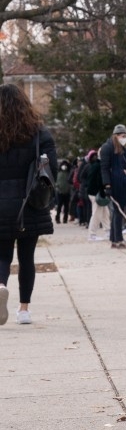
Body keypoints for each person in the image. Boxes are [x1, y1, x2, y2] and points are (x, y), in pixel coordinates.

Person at [0, 84, 58, 326]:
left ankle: (1, 285)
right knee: (27, 257)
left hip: (1, 204)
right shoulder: (39, 134)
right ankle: (24, 310)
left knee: (2, 255)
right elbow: (51, 170)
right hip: (29, 204)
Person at [99, 124, 126, 249]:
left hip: (122, 182)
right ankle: (118, 239)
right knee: (118, 211)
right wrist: (107, 184)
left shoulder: (122, 149)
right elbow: (104, 168)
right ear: (116, 136)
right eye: (122, 136)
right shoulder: (107, 148)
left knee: (117, 211)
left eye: (125, 136)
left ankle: (115, 239)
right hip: (115, 183)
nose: (124, 138)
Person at [84, 149, 107, 240]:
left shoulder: (97, 165)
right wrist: (101, 192)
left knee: (105, 213)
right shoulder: (98, 165)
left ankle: (108, 230)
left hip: (96, 192)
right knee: (97, 214)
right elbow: (98, 180)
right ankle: (92, 234)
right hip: (96, 193)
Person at [54, 159, 72, 224]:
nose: (64, 166)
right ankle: (57, 218)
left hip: (67, 192)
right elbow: (56, 182)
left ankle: (65, 219)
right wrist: (57, 187)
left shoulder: (69, 172)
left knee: (66, 207)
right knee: (59, 206)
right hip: (60, 192)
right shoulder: (58, 172)